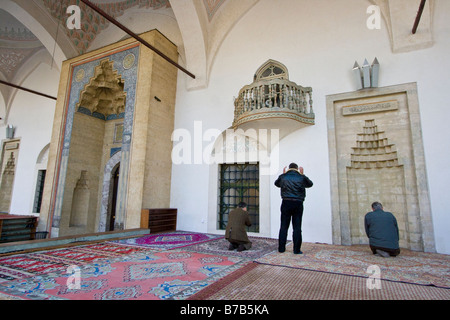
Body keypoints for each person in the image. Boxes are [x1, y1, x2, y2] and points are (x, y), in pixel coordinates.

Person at [274, 163, 313, 254]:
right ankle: (296, 250)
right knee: (297, 227)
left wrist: (283, 175)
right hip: (298, 203)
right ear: (297, 168)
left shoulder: (284, 177)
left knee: (283, 226)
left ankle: (281, 249)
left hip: (286, 202)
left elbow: (276, 184)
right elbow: (310, 184)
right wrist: (303, 174)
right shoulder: (301, 177)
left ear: (289, 168)